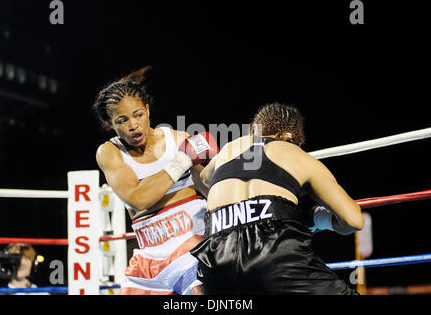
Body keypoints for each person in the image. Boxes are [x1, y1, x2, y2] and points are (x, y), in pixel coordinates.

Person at [190, 102, 364, 295]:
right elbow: (353, 220)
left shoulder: (230, 148)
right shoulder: (297, 155)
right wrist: (317, 219)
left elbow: (205, 178)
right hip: (275, 254)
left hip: (214, 258)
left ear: (254, 129)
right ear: (291, 136)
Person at [93, 66, 218, 295]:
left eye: (138, 115)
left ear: (148, 110)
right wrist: (182, 160)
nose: (133, 125)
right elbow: (138, 199)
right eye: (122, 120)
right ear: (111, 124)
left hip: (192, 246)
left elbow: (212, 192)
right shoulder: (110, 152)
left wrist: (220, 167)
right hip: (148, 257)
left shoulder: (179, 140)